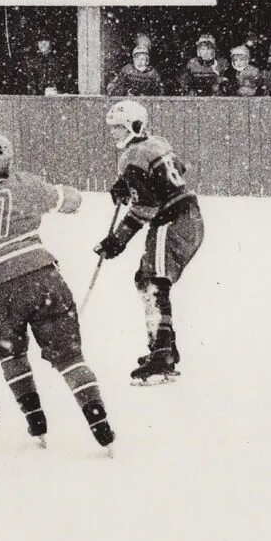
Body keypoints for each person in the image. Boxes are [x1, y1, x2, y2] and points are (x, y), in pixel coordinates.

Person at [0, 134, 115, 450]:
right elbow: (72, 201)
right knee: (70, 357)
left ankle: (36, 423)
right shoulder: (26, 184)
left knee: (12, 354)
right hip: (44, 278)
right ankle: (99, 423)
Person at [95, 100, 206, 385]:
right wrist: (130, 185)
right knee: (145, 279)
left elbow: (145, 208)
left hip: (172, 221)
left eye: (118, 128)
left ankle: (161, 356)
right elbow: (178, 168)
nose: (113, 134)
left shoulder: (132, 157)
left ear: (134, 126)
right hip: (189, 218)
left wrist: (116, 241)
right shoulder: (157, 142)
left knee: (155, 283)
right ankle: (164, 348)